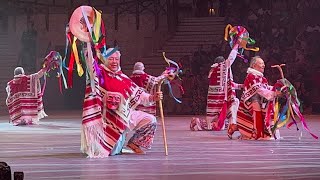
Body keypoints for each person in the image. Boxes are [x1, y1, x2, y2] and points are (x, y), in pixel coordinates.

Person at [81, 48, 164, 158]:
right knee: (110, 152)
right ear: (104, 60)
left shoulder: (123, 78)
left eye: (116, 59)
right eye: (111, 59)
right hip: (105, 118)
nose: (114, 62)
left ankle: (134, 143)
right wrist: (87, 42)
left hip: (124, 116)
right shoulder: (99, 73)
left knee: (150, 120)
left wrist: (154, 97)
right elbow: (90, 62)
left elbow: (140, 95)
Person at [190, 44, 242, 133]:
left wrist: (241, 86)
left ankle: (231, 126)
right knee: (217, 124)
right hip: (220, 100)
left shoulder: (215, 71)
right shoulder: (220, 69)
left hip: (220, 99)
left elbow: (228, 85)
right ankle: (197, 122)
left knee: (233, 105)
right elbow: (230, 59)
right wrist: (236, 46)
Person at [233, 56, 282, 140]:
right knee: (257, 108)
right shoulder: (251, 76)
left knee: (266, 110)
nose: (263, 65)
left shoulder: (261, 78)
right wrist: (273, 93)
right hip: (250, 102)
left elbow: (266, 87)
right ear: (254, 65)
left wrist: (278, 88)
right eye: (261, 63)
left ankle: (265, 133)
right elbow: (259, 89)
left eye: (263, 63)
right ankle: (258, 134)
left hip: (260, 100)